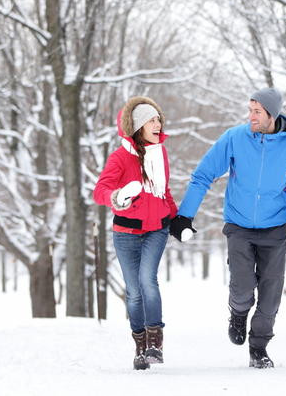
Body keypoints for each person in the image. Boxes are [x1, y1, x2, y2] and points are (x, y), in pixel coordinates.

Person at [170, 87, 286, 368]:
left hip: (274, 228)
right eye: (249, 110)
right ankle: (238, 313)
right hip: (238, 225)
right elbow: (204, 175)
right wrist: (185, 216)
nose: (250, 116)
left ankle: (258, 348)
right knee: (242, 286)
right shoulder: (235, 138)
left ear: (271, 114)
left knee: (271, 293)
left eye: (256, 111)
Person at [93, 96, 177, 371]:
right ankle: (140, 346)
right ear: (139, 127)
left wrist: (178, 219)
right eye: (152, 120)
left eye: (158, 119)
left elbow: (164, 192)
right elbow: (100, 191)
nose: (158, 124)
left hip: (156, 229)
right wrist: (116, 197)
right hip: (126, 233)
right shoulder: (120, 158)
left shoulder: (160, 153)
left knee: (147, 281)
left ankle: (155, 342)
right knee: (134, 293)